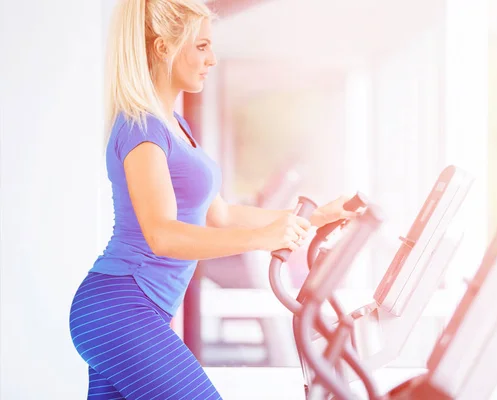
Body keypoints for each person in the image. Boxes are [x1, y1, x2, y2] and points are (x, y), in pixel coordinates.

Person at [68, 0, 357, 399]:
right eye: (202, 46)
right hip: (121, 306)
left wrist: (316, 217)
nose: (213, 59)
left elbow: (220, 214)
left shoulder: (175, 125)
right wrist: (263, 239)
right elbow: (164, 236)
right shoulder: (141, 127)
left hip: (134, 310)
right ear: (164, 47)